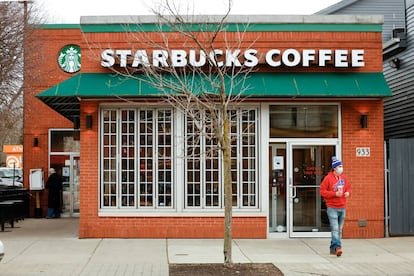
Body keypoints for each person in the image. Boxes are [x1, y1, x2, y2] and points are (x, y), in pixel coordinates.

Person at [320, 156, 351, 257]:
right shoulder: (327, 179)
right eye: (340, 166)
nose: (341, 168)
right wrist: (334, 194)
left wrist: (347, 193)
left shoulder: (344, 178)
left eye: (342, 166)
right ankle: (338, 247)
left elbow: (349, 188)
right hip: (332, 207)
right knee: (335, 229)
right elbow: (322, 192)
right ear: (335, 168)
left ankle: (332, 249)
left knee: (339, 229)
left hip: (342, 206)